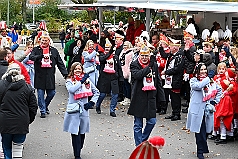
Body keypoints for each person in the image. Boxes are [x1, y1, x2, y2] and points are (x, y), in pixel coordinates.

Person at [0, 63, 38, 159]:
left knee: (6, 147)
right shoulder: (27, 88)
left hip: (5, 123)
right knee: (18, 148)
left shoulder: (1, 85)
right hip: (21, 123)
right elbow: (33, 107)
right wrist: (28, 120)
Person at [63, 62, 99, 159]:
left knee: (82, 133)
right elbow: (72, 90)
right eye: (76, 69)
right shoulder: (69, 80)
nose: (78, 70)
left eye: (79, 69)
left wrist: (91, 102)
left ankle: (79, 147)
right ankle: (77, 154)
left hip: (84, 109)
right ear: (72, 70)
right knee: (75, 132)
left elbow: (96, 92)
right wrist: (81, 81)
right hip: (73, 110)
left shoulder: (87, 81)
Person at [186, 63, 222, 159]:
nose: (203, 72)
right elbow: (199, 86)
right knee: (199, 131)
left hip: (207, 110)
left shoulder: (211, 82)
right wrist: (208, 78)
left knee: (207, 131)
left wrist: (214, 102)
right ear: (197, 71)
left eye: (205, 70)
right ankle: (200, 151)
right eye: (201, 70)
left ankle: (202, 147)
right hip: (197, 110)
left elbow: (219, 90)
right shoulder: (193, 80)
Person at [29, 32, 68, 118]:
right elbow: (31, 57)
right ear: (40, 41)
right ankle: (42, 110)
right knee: (40, 94)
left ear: (49, 41)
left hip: (50, 75)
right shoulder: (36, 49)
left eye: (46, 40)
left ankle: (45, 105)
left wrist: (65, 74)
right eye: (43, 40)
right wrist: (40, 56)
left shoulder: (53, 50)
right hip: (40, 75)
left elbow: (60, 63)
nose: (44, 42)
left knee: (52, 93)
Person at [127, 45, 159, 146]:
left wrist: (161, 98)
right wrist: (149, 67)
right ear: (139, 55)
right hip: (138, 97)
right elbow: (138, 75)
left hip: (150, 98)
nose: (144, 58)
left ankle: (142, 140)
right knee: (138, 125)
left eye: (146, 56)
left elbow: (158, 81)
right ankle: (138, 146)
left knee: (152, 121)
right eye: (142, 55)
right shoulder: (134, 64)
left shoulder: (154, 65)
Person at [96, 39, 123, 117]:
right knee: (102, 94)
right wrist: (110, 52)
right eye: (106, 48)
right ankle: (98, 105)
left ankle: (112, 110)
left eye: (109, 48)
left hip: (114, 77)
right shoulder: (101, 55)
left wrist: (120, 77)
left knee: (115, 94)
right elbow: (102, 60)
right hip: (104, 78)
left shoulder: (115, 57)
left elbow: (119, 68)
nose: (107, 49)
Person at [160, 37, 185, 121]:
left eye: (170, 46)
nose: (169, 48)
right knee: (173, 96)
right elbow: (164, 55)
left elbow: (177, 69)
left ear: (175, 47)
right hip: (171, 80)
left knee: (176, 97)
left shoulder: (180, 56)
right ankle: (174, 112)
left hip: (176, 79)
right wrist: (160, 47)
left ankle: (177, 114)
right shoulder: (172, 55)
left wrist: (166, 72)